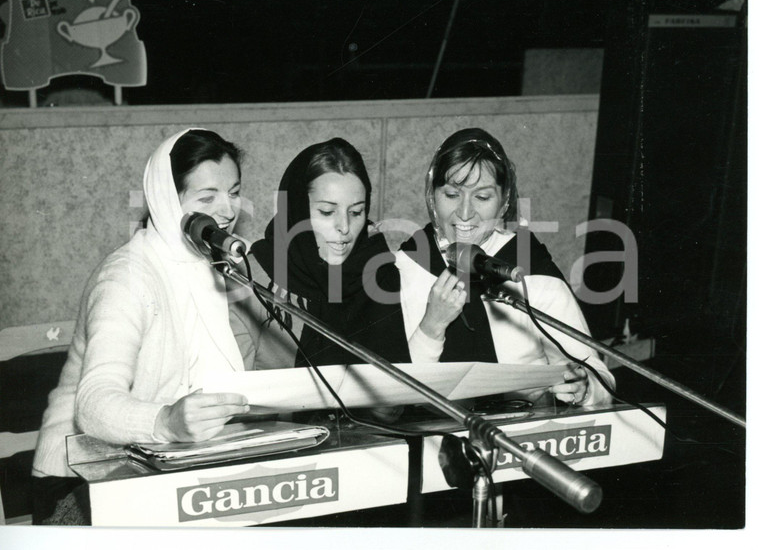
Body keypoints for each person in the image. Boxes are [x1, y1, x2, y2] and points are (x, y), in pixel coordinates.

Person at [31, 129, 251, 525]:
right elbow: (93, 404)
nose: (227, 210)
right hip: (75, 480)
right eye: (207, 197)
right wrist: (166, 421)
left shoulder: (206, 268)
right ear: (168, 200)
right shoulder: (127, 277)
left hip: (161, 466)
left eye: (234, 193)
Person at [394, 127, 615, 407]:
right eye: (451, 195)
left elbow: (600, 379)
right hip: (434, 437)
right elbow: (390, 401)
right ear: (432, 196)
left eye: (482, 197)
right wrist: (432, 326)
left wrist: (585, 388)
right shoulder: (409, 265)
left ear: (503, 201)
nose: (464, 213)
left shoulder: (529, 267)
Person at [231, 137, 410, 373]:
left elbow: (394, 401)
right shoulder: (250, 277)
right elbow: (236, 395)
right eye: (327, 212)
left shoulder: (376, 269)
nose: (344, 227)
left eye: (356, 212)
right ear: (296, 210)